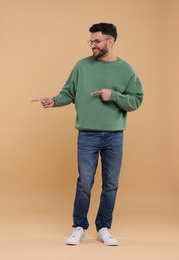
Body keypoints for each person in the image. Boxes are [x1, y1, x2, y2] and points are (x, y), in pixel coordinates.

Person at [31, 23, 143, 246]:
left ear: (110, 42)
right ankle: (79, 226)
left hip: (114, 136)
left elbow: (136, 100)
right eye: (90, 41)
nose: (92, 45)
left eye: (96, 41)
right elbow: (68, 93)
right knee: (85, 183)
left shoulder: (126, 69)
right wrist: (53, 101)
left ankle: (104, 227)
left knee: (111, 184)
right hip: (87, 135)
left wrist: (114, 96)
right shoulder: (82, 66)